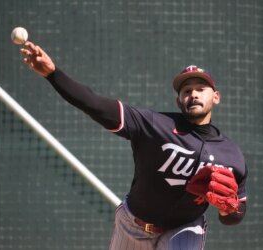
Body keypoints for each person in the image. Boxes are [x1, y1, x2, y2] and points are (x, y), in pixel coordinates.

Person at [20, 41, 248, 250]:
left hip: (185, 228)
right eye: (186, 91)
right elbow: (95, 105)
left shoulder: (231, 154)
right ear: (178, 101)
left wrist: (228, 209)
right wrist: (53, 74)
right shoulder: (154, 125)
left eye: (200, 89)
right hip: (133, 226)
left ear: (216, 97)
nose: (193, 95)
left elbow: (235, 215)